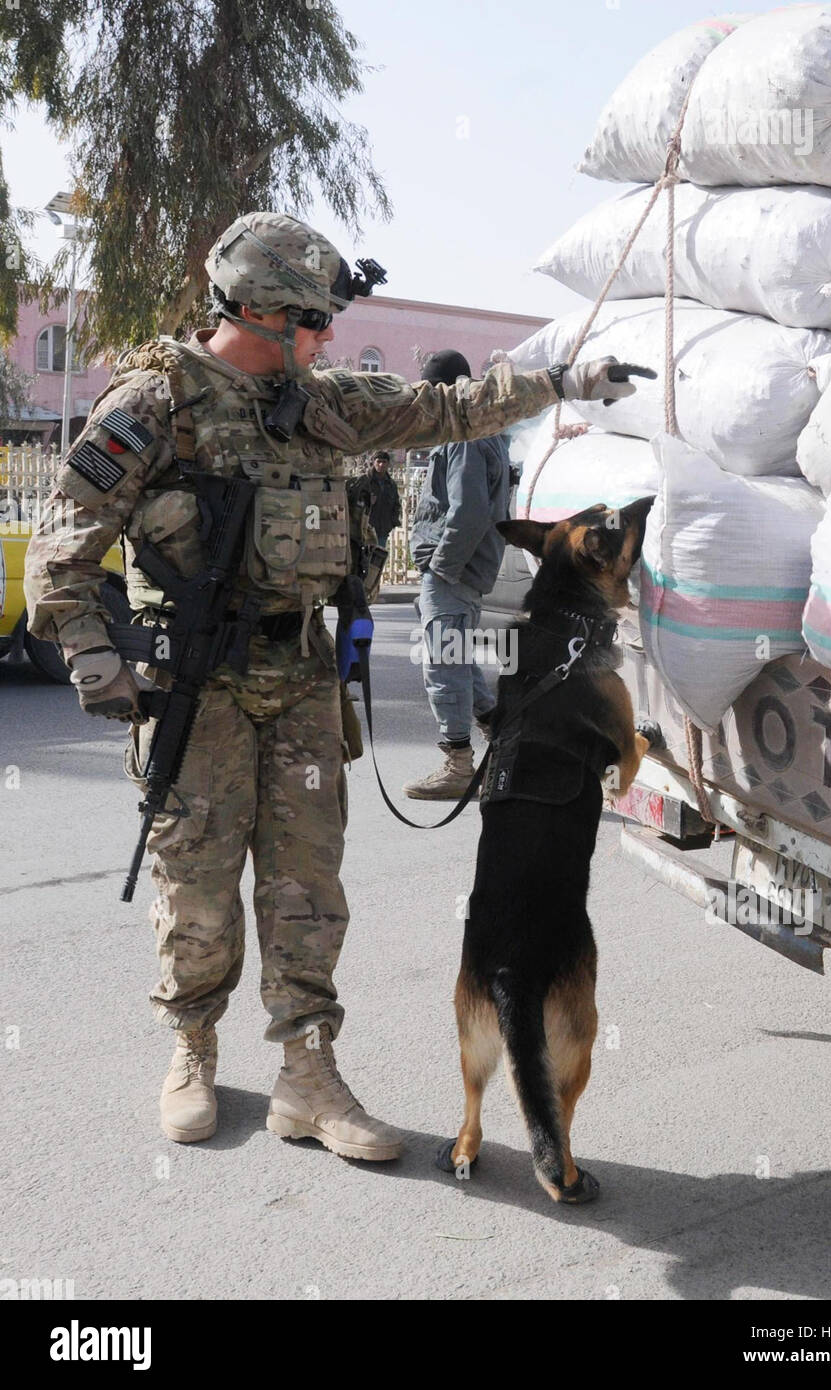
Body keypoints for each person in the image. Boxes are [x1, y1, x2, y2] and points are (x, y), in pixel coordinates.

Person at [24, 210, 642, 1159]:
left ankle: (307, 1077)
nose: (326, 337)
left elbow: (448, 409)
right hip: (201, 686)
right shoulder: (155, 407)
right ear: (261, 311)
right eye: (312, 320)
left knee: (308, 890)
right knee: (197, 887)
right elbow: (62, 543)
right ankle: (192, 1049)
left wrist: (564, 382)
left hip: (304, 681)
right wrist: (88, 652)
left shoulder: (323, 402)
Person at [403, 349, 511, 799]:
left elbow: (467, 511)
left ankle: (458, 766)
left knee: (443, 664)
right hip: (463, 570)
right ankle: (505, 744)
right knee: (459, 658)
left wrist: (443, 568)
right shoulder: (485, 431)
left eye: (431, 391)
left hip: (453, 571)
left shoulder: (465, 436)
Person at [366, 450, 402, 548]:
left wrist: (392, 522)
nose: (381, 464)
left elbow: (396, 504)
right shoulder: (365, 481)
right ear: (374, 462)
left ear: (388, 464)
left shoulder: (391, 484)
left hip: (383, 529)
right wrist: (368, 502)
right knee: (365, 557)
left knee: (378, 557)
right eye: (378, 461)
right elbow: (354, 502)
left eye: (384, 462)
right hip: (366, 528)